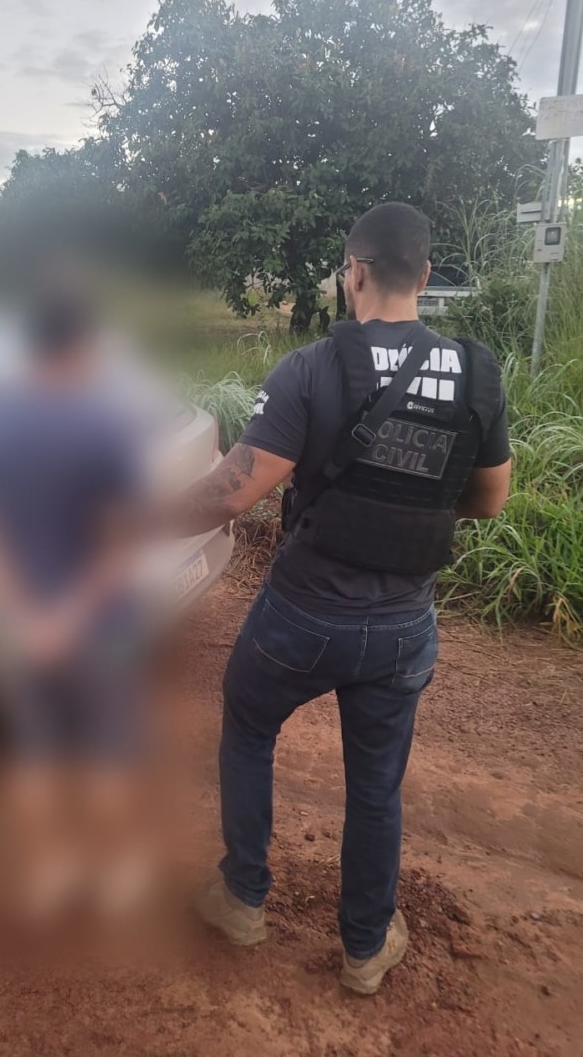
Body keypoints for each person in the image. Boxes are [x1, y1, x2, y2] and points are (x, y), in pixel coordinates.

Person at [171, 202, 511, 994]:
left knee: (248, 727)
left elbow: (231, 494)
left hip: (301, 615)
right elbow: (488, 500)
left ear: (352, 272)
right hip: (402, 626)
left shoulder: (310, 368)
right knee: (375, 784)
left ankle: (241, 899)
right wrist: (411, 508)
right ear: (424, 276)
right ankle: (364, 948)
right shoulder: (475, 371)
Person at [0, 284, 150, 918]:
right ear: (84, 344)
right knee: (106, 752)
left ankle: (50, 872)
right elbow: (119, 541)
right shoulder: (105, 425)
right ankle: (115, 872)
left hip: (21, 623)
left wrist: (26, 617)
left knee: (36, 754)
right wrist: (68, 619)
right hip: (99, 625)